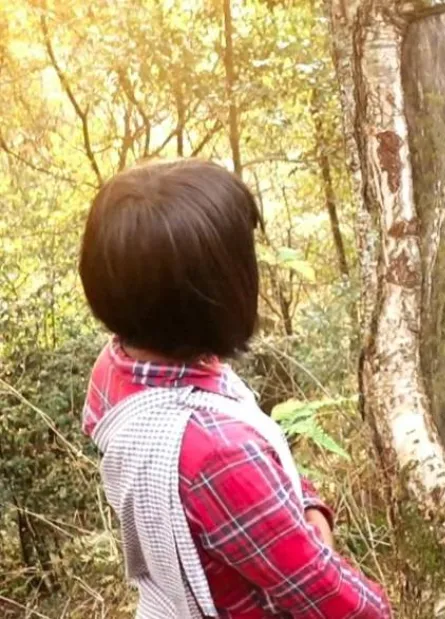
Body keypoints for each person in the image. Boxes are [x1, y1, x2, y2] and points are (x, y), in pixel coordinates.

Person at [79, 159, 392, 618]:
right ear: (216, 295)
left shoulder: (120, 366)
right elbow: (323, 594)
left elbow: (247, 478)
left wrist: (308, 506)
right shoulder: (212, 449)